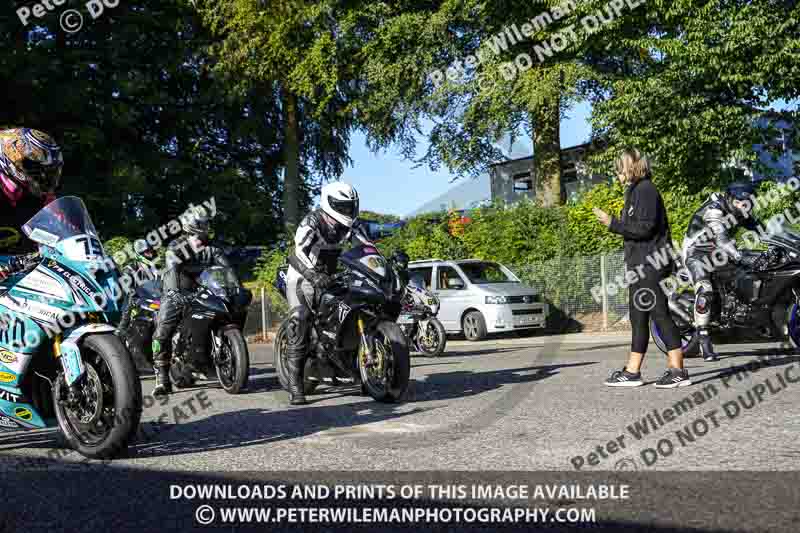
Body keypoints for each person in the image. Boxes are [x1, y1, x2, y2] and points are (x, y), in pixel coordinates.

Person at [593, 148, 690, 388]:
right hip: (639, 265)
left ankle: (678, 370)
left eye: (620, 167)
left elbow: (645, 228)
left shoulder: (646, 190)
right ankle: (632, 372)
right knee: (638, 317)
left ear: (632, 166)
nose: (617, 172)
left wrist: (613, 223)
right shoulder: (634, 191)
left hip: (651, 263)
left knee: (659, 314)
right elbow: (636, 227)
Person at [284, 181, 373, 405]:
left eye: (350, 206)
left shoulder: (353, 226)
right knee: (301, 318)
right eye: (343, 206)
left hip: (332, 277)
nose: (348, 211)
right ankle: (295, 384)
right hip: (302, 277)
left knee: (353, 310)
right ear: (329, 203)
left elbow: (368, 249)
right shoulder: (311, 222)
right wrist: (313, 276)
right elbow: (295, 255)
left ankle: (358, 370)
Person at [151, 205, 231, 396]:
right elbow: (171, 269)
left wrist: (234, 286)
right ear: (192, 225)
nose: (206, 226)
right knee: (162, 332)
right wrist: (173, 292)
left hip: (203, 291)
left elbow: (226, 269)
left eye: (206, 223)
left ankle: (212, 358)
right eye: (203, 223)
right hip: (177, 291)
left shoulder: (211, 248)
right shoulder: (176, 245)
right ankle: (162, 379)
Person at [681, 182, 760, 361]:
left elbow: (760, 229)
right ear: (731, 199)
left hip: (719, 253)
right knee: (705, 290)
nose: (745, 205)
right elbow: (723, 240)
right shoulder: (714, 211)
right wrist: (740, 257)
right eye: (741, 202)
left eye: (748, 202)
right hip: (697, 253)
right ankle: (704, 339)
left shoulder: (741, 210)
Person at [0, 128, 63, 277]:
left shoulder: (41, 198)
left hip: (22, 281)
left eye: (48, 171)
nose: (43, 176)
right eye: (35, 168)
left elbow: (64, 235)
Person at [116, 243, 160, 339]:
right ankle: (122, 328)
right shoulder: (130, 269)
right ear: (140, 254)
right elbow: (126, 288)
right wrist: (134, 293)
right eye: (147, 252)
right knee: (129, 299)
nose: (151, 254)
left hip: (151, 299)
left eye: (151, 251)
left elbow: (158, 285)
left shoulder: (153, 268)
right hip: (136, 300)